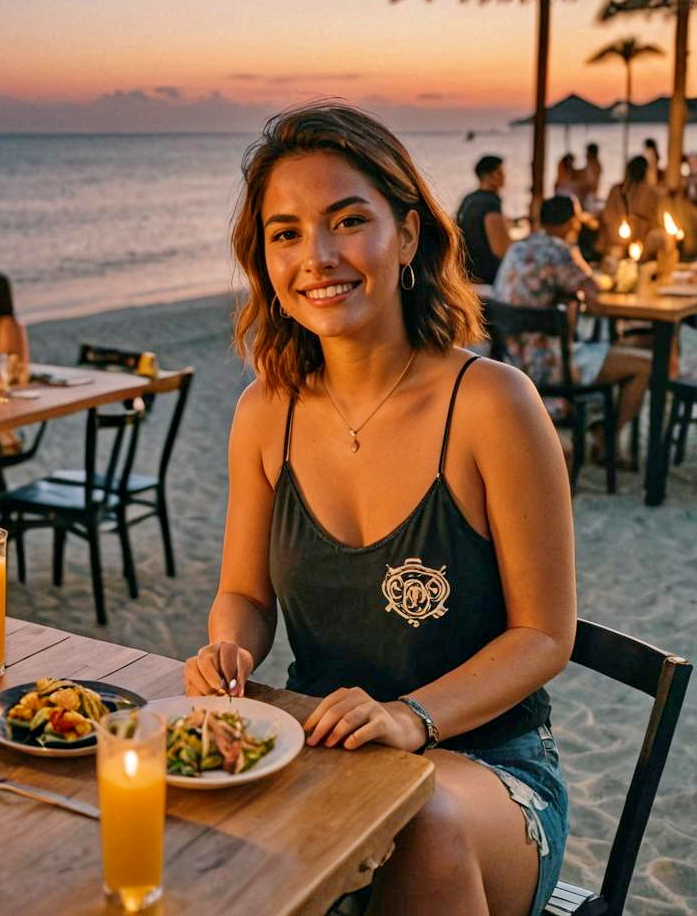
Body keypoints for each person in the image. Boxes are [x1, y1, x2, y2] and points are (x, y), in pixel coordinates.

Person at [186, 105, 573, 916]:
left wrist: (412, 717)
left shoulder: (494, 404)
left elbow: (544, 635)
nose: (317, 257)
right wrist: (228, 648)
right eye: (285, 233)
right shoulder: (266, 411)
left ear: (407, 233)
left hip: (485, 770)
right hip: (320, 753)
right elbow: (247, 596)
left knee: (417, 820)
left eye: (347, 221)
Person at [494, 195, 650, 447]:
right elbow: (596, 297)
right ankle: (606, 438)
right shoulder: (560, 251)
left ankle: (600, 427)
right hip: (550, 364)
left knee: (612, 351)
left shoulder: (518, 248)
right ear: (571, 224)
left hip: (512, 361)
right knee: (644, 366)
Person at [456, 155, 512, 284]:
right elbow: (500, 249)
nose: (504, 177)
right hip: (487, 276)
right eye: (500, 173)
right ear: (487, 176)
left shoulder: (468, 199)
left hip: (467, 272)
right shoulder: (490, 202)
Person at [600, 156, 665, 258]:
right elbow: (657, 221)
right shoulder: (652, 193)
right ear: (646, 172)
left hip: (619, 243)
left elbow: (608, 217)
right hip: (640, 245)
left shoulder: (616, 190)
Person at [582, 143, 602, 209]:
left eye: (587, 152)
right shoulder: (592, 163)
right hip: (590, 191)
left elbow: (593, 180)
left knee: (589, 207)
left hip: (590, 191)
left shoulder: (594, 164)